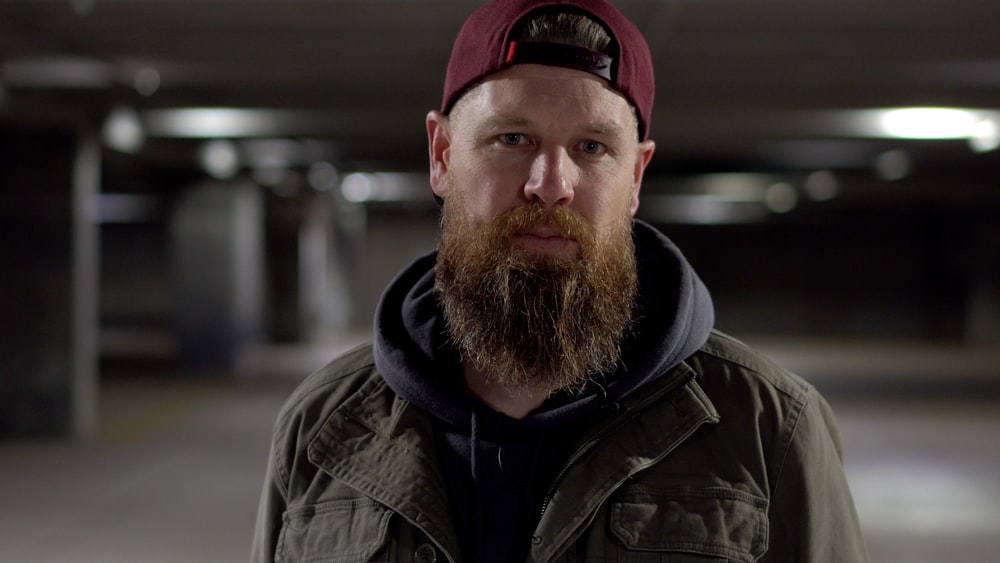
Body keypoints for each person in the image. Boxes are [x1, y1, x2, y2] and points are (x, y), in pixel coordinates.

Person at [251, 1, 870, 561]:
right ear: (441, 155)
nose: (550, 184)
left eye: (593, 147)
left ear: (636, 176)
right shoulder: (322, 426)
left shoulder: (769, 429)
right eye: (511, 138)